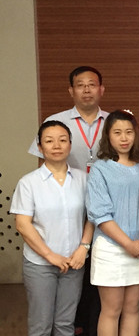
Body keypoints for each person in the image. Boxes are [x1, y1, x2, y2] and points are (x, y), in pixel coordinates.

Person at [11, 120, 94, 336]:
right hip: (40, 264)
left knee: (66, 324)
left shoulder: (84, 179)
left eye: (62, 140)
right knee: (41, 325)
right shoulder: (29, 183)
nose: (56, 145)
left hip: (74, 263)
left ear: (70, 144)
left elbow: (92, 217)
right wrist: (50, 255)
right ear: (40, 147)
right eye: (49, 141)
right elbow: (22, 224)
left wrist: (83, 247)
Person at [85, 110, 139, 336]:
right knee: (111, 310)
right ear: (108, 136)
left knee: (132, 308)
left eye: (128, 132)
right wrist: (128, 244)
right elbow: (100, 214)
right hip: (111, 248)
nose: (124, 138)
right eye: (117, 133)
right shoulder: (100, 168)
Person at [28, 66, 108, 172]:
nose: (87, 90)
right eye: (80, 85)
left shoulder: (114, 122)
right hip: (66, 182)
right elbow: (43, 165)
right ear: (71, 91)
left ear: (101, 90)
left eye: (92, 85)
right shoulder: (54, 122)